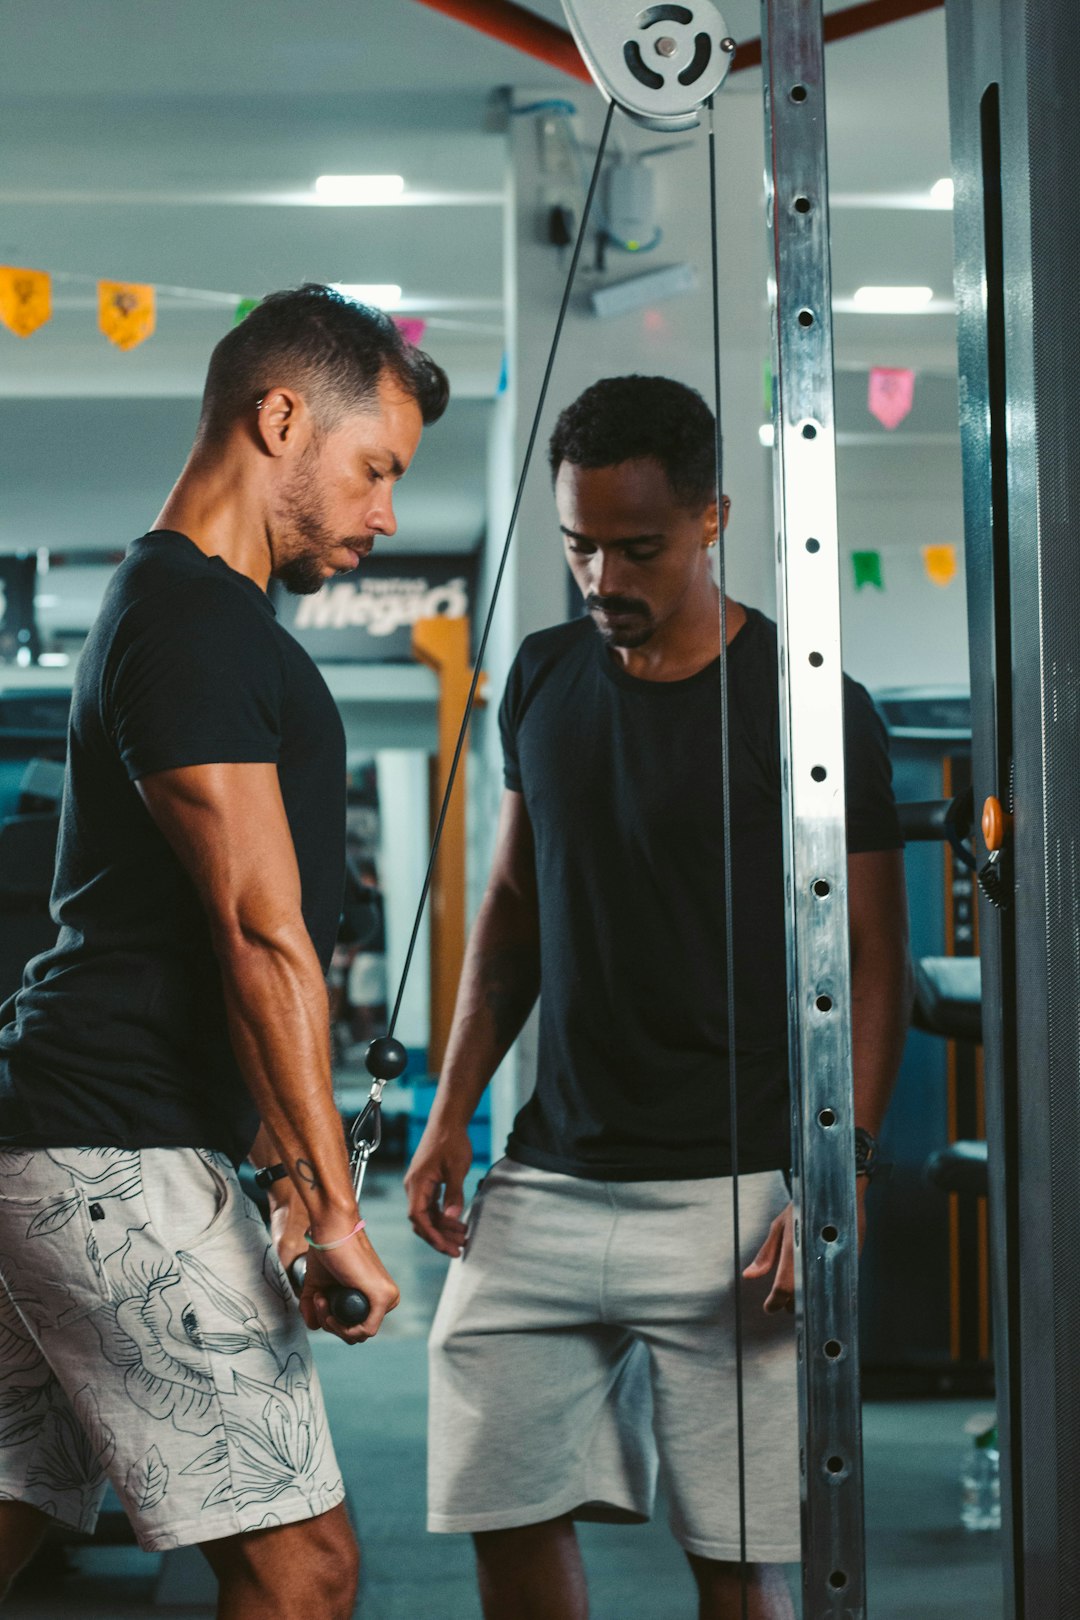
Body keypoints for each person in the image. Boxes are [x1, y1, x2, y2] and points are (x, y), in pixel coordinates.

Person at [406, 375, 912, 1620]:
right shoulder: (538, 678)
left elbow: (871, 957)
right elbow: (514, 914)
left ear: (713, 520)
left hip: (732, 1197)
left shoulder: (811, 706)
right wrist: (446, 1118)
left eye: (636, 548)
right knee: (498, 1506)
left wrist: (837, 1173)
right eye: (580, 545)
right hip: (549, 1179)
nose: (601, 579)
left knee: (740, 1558)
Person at [0, 285, 448, 1619]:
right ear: (279, 417)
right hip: (113, 1154)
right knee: (303, 1572)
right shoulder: (193, 620)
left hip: (67, 1141)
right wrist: (333, 1201)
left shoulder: (185, 614)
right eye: (376, 471)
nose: (384, 516)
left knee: (16, 1506)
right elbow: (260, 935)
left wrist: (287, 1180)